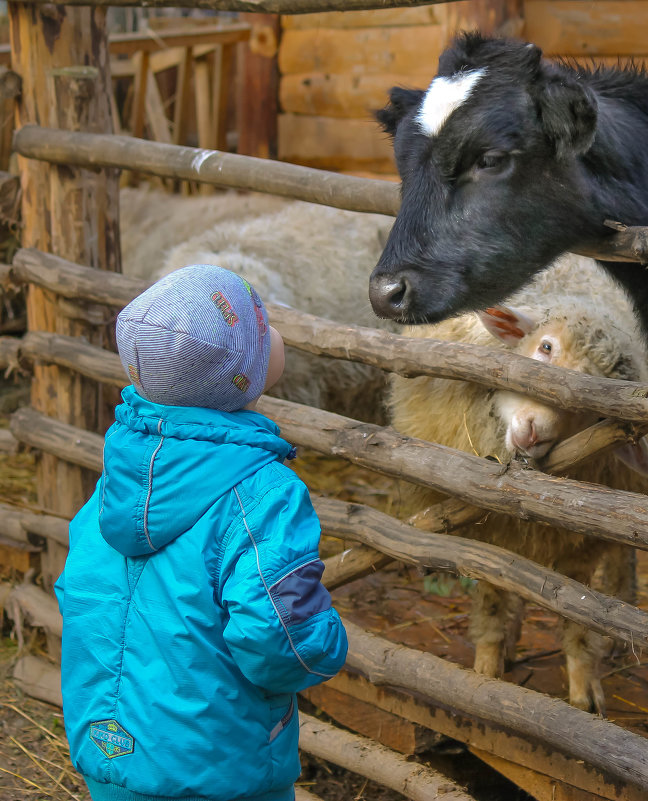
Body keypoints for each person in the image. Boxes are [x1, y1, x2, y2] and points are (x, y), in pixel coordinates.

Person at [54, 264, 348, 801]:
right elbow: (279, 637)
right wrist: (324, 643)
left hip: (112, 754)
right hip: (216, 765)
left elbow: (82, 591)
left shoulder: (122, 473)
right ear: (244, 371)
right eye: (261, 331)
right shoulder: (263, 493)